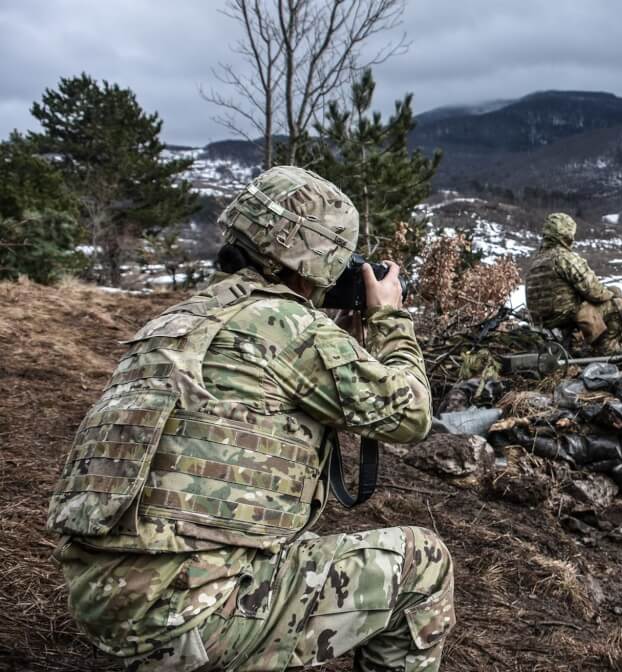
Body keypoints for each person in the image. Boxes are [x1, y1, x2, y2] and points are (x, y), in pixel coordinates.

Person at [46, 166, 455, 672]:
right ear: (317, 258)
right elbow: (411, 415)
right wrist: (389, 320)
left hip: (105, 603)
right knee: (424, 565)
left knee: (294, 545)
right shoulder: (293, 328)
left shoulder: (175, 321)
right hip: (186, 622)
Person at [525, 212, 622, 353]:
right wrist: (612, 294)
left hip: (542, 323)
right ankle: (607, 349)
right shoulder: (564, 258)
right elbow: (595, 292)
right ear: (566, 235)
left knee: (612, 292)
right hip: (565, 318)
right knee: (618, 305)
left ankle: (584, 344)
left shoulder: (536, 261)